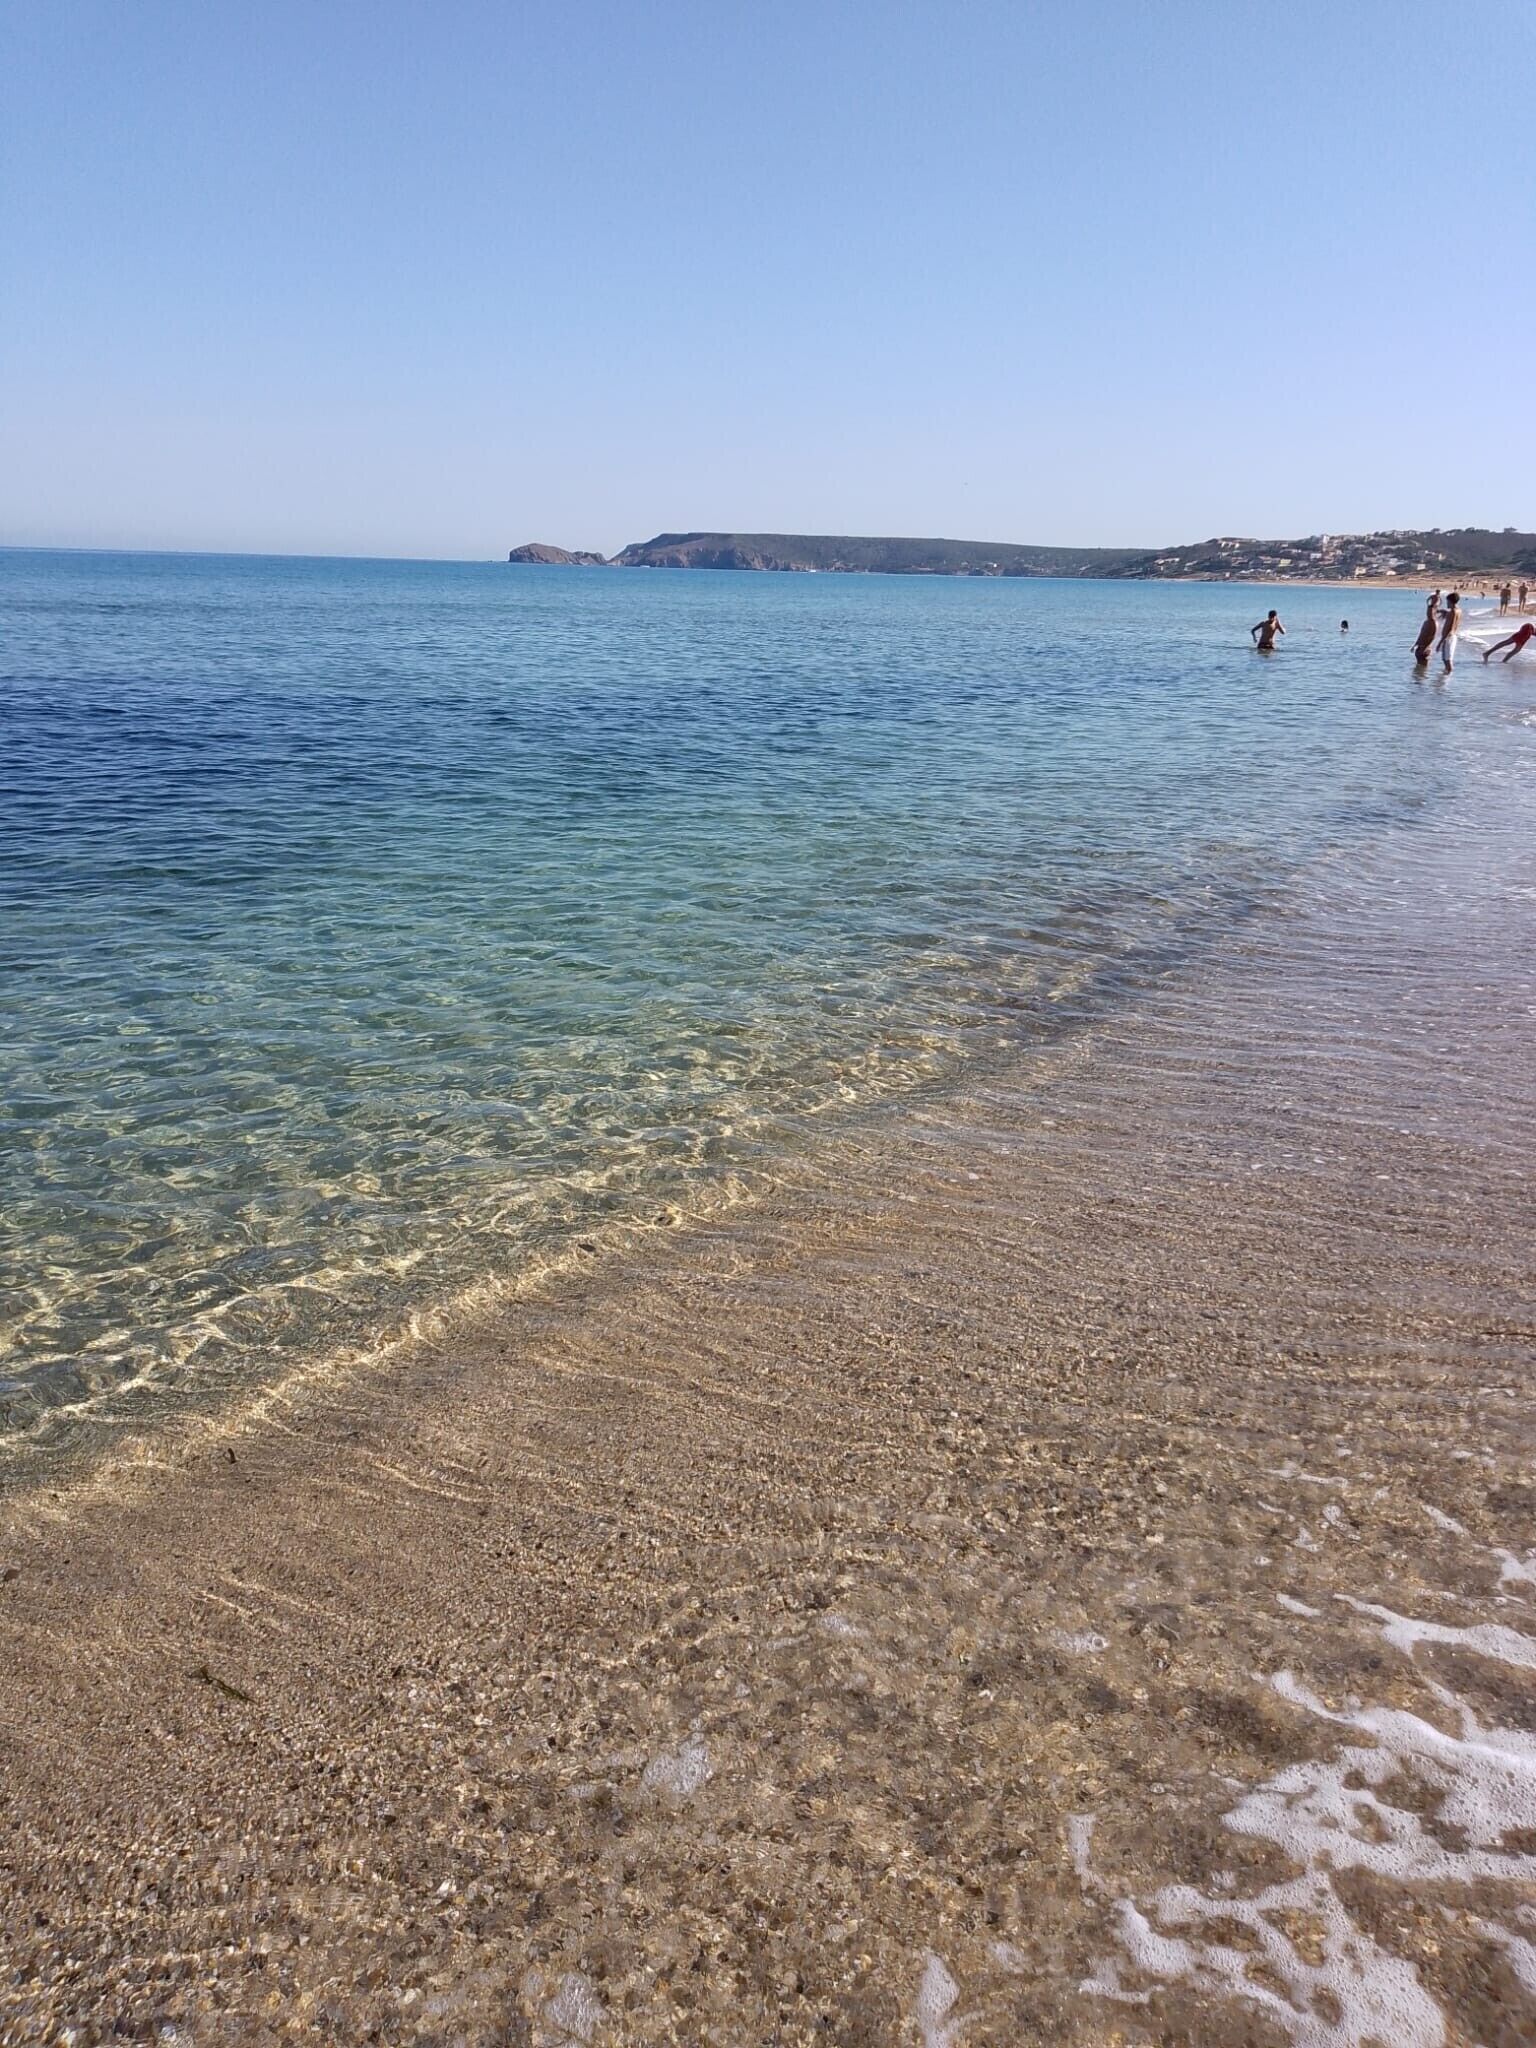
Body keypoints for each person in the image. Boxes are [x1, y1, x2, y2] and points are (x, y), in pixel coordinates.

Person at [1413, 591, 1441, 664]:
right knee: (1419, 670)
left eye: (1430, 611)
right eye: (1428, 611)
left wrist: (1425, 647)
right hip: (1421, 648)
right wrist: (1415, 645)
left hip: (1424, 649)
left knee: (1423, 666)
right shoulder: (1428, 622)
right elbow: (1421, 634)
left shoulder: (1433, 623)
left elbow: (1432, 636)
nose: (1427, 612)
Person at [1438, 591, 1461, 672]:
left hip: (1448, 637)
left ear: (1450, 601)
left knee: (1447, 660)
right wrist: (1444, 612)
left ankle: (1447, 677)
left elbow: (1450, 627)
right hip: (1450, 637)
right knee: (1445, 659)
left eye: (1447, 601)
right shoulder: (1457, 610)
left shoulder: (1453, 612)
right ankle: (1445, 676)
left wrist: (1440, 642)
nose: (1447, 603)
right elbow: (1451, 616)